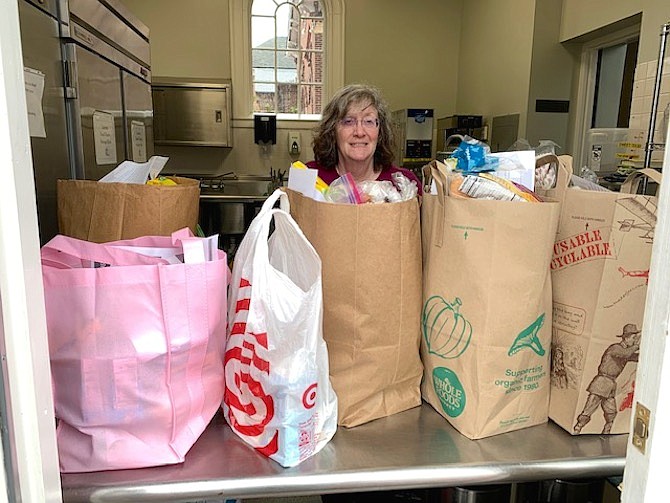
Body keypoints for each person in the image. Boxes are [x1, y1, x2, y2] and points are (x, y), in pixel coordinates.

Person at [307, 83, 422, 196]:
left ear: (380, 132)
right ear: (332, 130)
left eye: (368, 121)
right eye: (348, 121)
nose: (359, 132)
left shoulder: (405, 184)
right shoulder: (310, 177)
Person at [573, 323, 641, 434]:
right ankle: (577, 428)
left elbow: (637, 357)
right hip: (602, 383)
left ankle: (606, 433)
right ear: (627, 337)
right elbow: (626, 353)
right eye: (633, 338)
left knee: (611, 413)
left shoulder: (625, 352)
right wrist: (637, 345)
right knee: (588, 410)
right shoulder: (616, 348)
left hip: (610, 386)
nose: (634, 341)